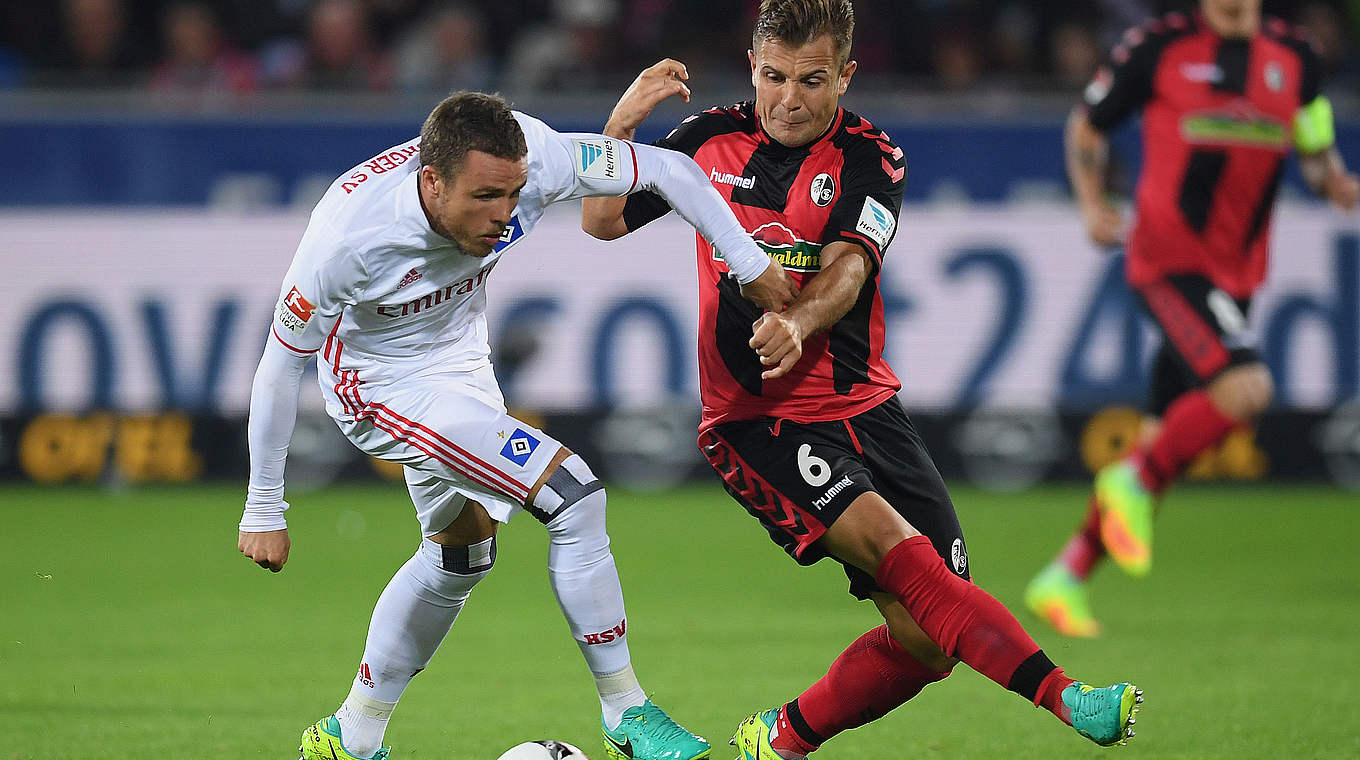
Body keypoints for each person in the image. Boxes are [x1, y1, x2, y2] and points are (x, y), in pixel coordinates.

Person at [581, 1, 1141, 756]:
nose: (789, 98)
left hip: (867, 408)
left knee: (928, 641)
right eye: (773, 77)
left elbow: (850, 267)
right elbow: (602, 221)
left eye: (811, 81)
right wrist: (621, 126)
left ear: (844, 74)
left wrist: (799, 323)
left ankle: (776, 739)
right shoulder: (707, 141)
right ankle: (1066, 697)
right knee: (895, 547)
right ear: (753, 67)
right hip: (757, 422)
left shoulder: (874, 158)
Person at [236, 91, 796, 760]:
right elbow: (278, 366)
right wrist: (264, 505)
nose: (503, 215)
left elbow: (672, 173)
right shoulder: (348, 237)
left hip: (459, 358)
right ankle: (626, 709)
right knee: (575, 494)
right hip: (379, 384)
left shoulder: (541, 156)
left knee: (460, 555)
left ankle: (349, 735)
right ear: (431, 181)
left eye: (514, 193)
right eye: (483, 197)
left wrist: (752, 263)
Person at [1025, 0, 1359, 638]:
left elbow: (1315, 147)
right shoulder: (1158, 48)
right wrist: (1093, 206)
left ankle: (1066, 575)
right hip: (1168, 261)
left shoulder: (1298, 59)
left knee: (1167, 439)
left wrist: (1333, 182)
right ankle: (1128, 476)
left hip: (1239, 274)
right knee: (1246, 388)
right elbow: (1087, 127)